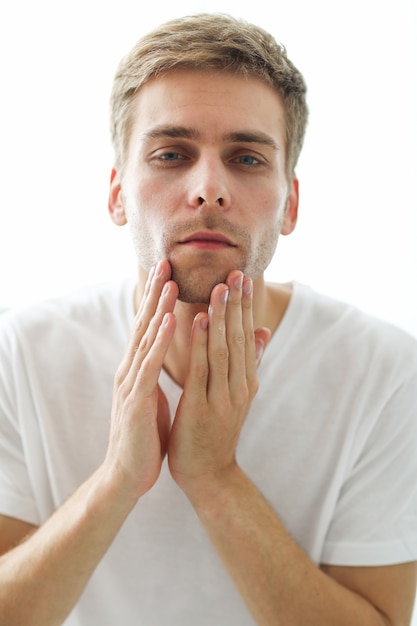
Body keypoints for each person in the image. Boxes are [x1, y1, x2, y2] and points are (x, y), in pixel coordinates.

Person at [0, 12, 416, 626]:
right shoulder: (22, 354)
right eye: (171, 153)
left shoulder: (386, 372)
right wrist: (117, 479)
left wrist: (216, 479)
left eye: (247, 158)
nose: (209, 188)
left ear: (290, 204)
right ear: (117, 195)